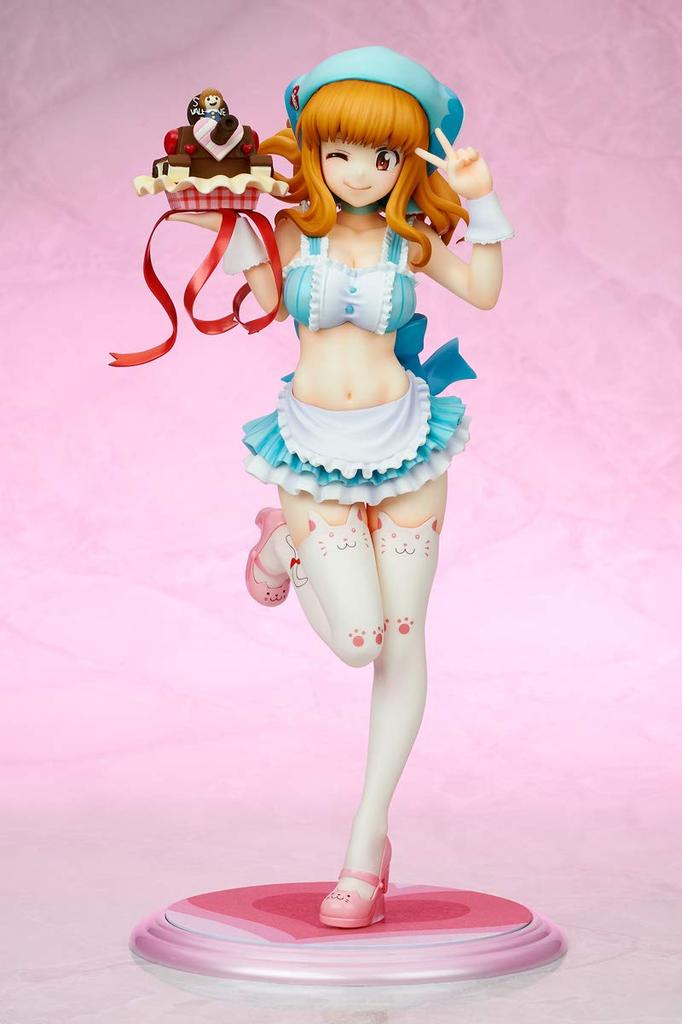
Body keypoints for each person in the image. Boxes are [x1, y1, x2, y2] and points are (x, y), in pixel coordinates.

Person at [172, 45, 514, 930]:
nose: (360, 172)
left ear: (407, 161)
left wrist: (480, 199)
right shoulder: (296, 234)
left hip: (408, 446)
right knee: (358, 639)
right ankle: (284, 546)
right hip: (313, 451)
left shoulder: (411, 240)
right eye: (340, 151)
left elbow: (482, 291)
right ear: (315, 151)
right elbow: (257, 297)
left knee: (402, 639)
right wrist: (224, 218)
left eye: (383, 155)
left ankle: (367, 843)